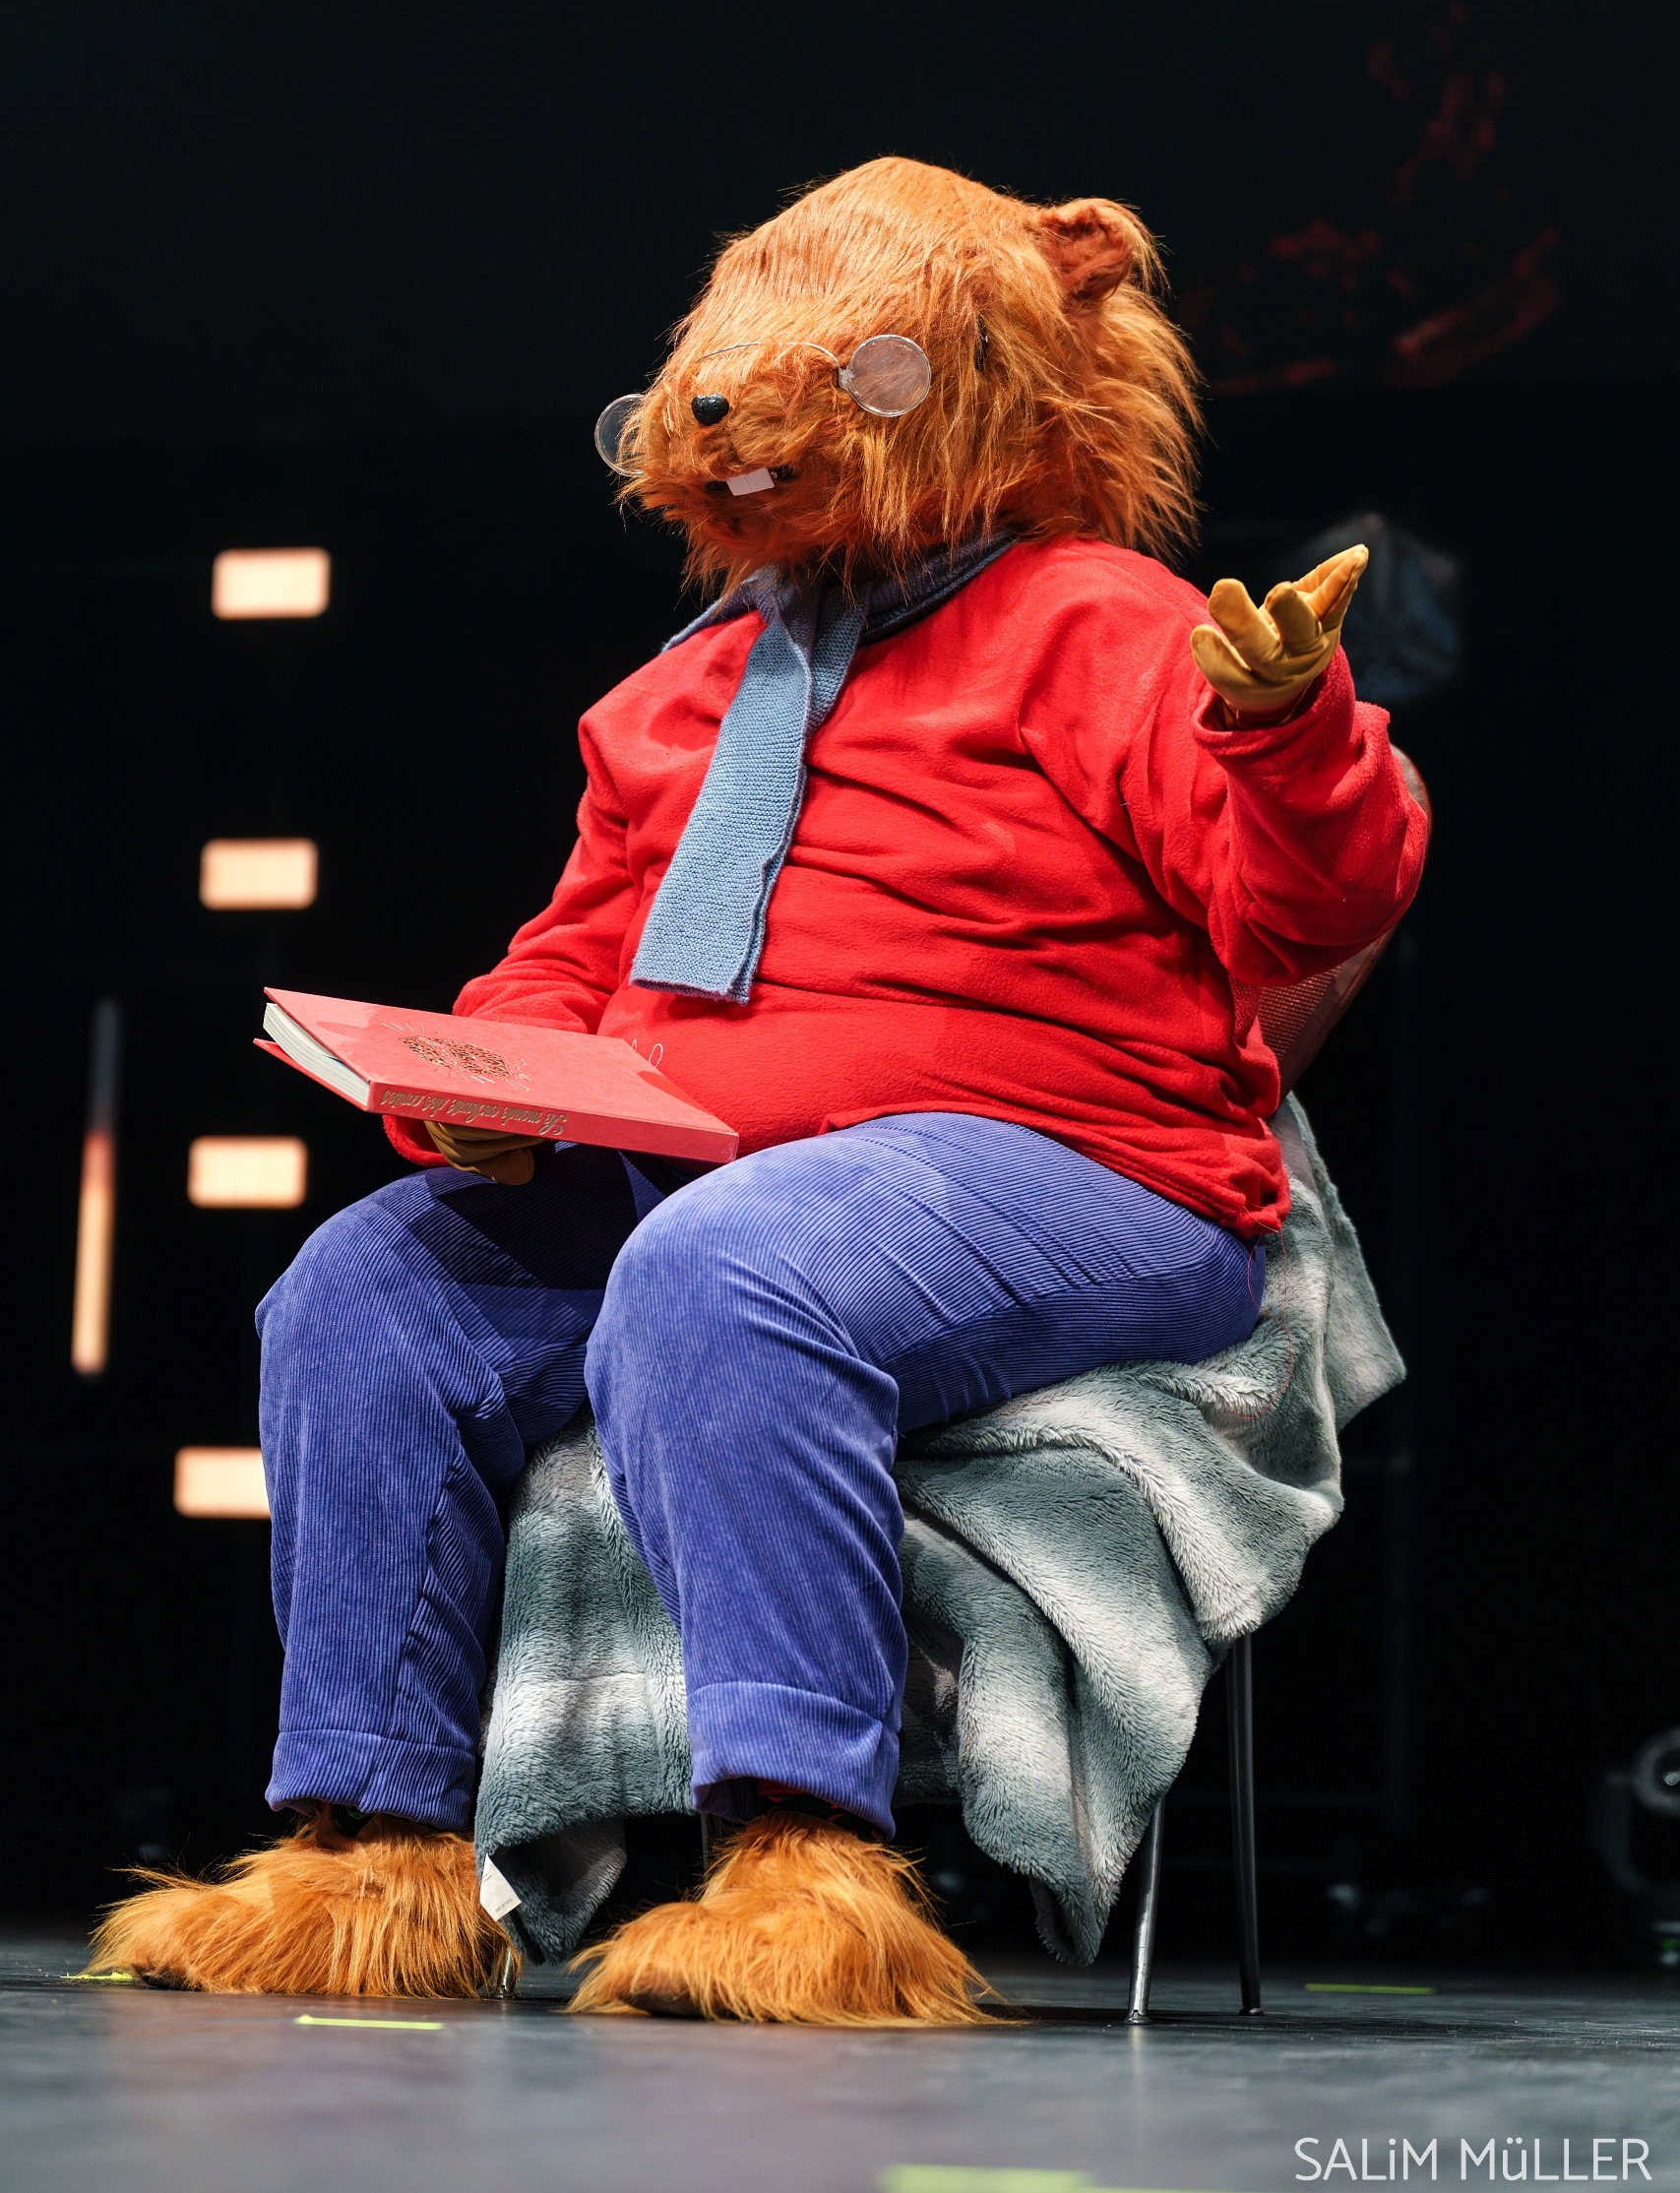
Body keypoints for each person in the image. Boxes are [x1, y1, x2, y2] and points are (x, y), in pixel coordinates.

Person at [95, 158, 1425, 2020]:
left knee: (730, 1271)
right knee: (366, 1289)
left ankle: (805, 1860)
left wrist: (1288, 738)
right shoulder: (682, 689)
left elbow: (1305, 904)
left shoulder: (1099, 623)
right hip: (713, 1174)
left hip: (1075, 1169)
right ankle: (374, 1860)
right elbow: (577, 951)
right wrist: (475, 1079)